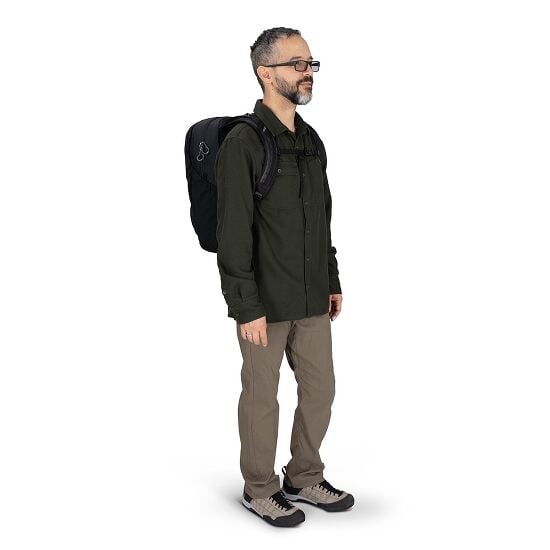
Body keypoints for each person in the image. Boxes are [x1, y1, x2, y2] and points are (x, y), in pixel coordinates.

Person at [215, 27, 354, 527]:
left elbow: (323, 219)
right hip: (265, 303)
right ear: (265, 73)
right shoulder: (243, 143)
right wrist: (245, 307)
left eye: (310, 63)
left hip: (312, 296)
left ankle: (304, 476)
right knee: (261, 398)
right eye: (297, 64)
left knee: (321, 390)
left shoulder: (311, 141)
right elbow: (233, 234)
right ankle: (259, 488)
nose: (307, 72)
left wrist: (331, 279)